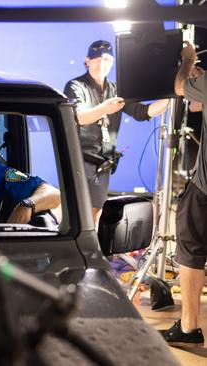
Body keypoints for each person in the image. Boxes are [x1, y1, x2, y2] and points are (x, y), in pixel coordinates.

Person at [64, 39, 169, 224]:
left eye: (106, 60)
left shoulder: (116, 90)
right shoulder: (76, 86)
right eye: (96, 60)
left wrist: (170, 96)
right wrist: (104, 108)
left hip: (103, 162)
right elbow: (79, 117)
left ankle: (90, 247)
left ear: (112, 63)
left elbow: (142, 112)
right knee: (74, 212)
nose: (101, 65)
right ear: (87, 61)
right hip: (79, 159)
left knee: (95, 212)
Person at [160, 41, 207, 347]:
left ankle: (189, 328)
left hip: (205, 189)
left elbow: (180, 87)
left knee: (191, 249)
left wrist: (188, 62)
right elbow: (197, 102)